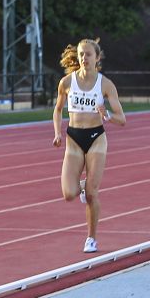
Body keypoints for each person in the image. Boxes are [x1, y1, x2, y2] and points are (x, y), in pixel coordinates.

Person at [52, 38, 127, 253]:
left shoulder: (105, 84)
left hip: (96, 138)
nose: (84, 58)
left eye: (88, 54)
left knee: (92, 194)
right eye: (81, 54)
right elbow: (58, 110)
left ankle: (91, 238)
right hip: (73, 139)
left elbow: (122, 119)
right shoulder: (67, 82)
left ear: (97, 57)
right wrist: (57, 132)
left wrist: (107, 116)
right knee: (69, 193)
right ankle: (84, 186)